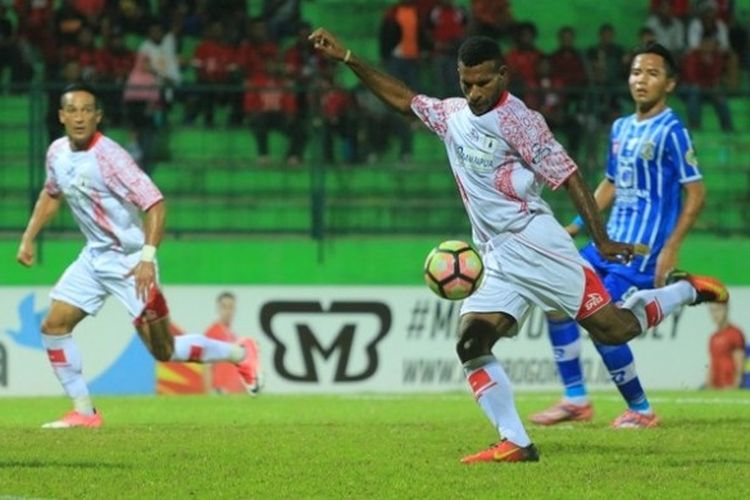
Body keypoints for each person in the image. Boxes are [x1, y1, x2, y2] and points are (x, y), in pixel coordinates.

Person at [309, 28, 729, 463]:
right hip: (496, 258)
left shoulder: (520, 122)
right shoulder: (453, 115)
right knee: (471, 343)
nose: (473, 93)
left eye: (483, 82)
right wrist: (349, 57)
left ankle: (685, 290)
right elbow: (405, 100)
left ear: (503, 76)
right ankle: (516, 442)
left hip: (537, 246)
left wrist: (600, 240)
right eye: (466, 82)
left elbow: (570, 177)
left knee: (615, 329)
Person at [16, 83, 257, 429]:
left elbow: (155, 203)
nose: (80, 117)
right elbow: (51, 192)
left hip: (131, 261)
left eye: (87, 110)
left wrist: (146, 258)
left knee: (164, 351)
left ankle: (240, 353)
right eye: (73, 110)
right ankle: (84, 413)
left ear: (98, 116)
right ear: (61, 116)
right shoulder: (56, 153)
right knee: (53, 326)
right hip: (94, 258)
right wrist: (29, 237)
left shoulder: (111, 157)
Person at [529, 43, 706, 429]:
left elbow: (696, 191)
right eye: (636, 72)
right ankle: (576, 399)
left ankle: (641, 410)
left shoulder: (673, 131)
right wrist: (576, 226)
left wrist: (672, 247)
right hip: (604, 244)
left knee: (601, 322)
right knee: (555, 299)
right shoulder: (621, 127)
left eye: (653, 73)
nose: (641, 80)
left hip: (641, 251)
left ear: (670, 83)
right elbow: (610, 183)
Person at [204, 292, 262, 395]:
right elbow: (207, 367)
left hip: (233, 393)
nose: (228, 311)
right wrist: (209, 394)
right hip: (220, 392)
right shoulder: (212, 333)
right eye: (224, 307)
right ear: (218, 309)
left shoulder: (233, 336)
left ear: (235, 310)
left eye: (231, 307)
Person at [705, 302, 746, 389]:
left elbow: (740, 363)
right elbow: (712, 364)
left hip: (730, 387)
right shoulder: (713, 338)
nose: (715, 314)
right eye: (712, 311)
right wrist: (708, 384)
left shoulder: (735, 333)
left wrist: (735, 385)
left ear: (726, 309)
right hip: (715, 388)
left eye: (718, 310)